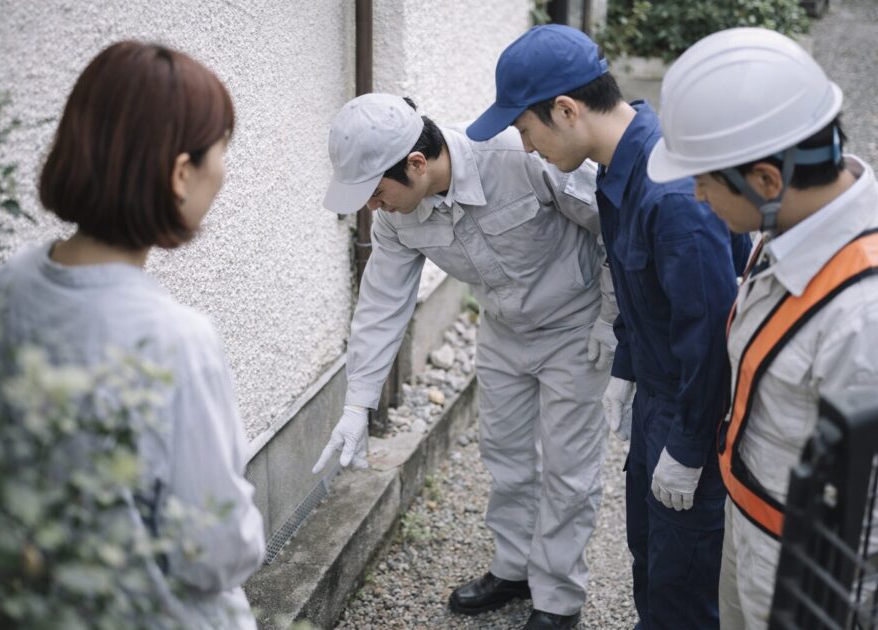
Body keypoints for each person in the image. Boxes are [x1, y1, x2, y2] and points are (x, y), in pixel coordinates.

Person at [468, 25, 751, 630]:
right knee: (649, 559)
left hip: (692, 410)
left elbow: (710, 335)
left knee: (684, 587)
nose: (527, 148)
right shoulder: (617, 170)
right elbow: (642, 298)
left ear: (566, 110)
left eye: (525, 130)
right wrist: (625, 367)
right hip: (655, 394)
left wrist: (688, 445)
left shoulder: (670, 192)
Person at [0, 41, 265, 629]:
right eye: (221, 152)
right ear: (180, 174)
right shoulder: (176, 340)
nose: (224, 171)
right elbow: (214, 550)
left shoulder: (16, 283)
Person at [314, 92, 616, 630]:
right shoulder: (397, 219)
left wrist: (612, 319)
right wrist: (357, 403)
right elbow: (383, 304)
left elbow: (612, 223)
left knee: (568, 470)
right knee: (506, 455)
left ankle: (559, 598)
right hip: (503, 330)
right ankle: (514, 568)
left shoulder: (517, 155)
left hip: (575, 327)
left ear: (416, 163)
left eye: (377, 192)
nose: (372, 207)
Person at [647, 27, 878, 629]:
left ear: (768, 181)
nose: (695, 195)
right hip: (752, 528)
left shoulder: (864, 315)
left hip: (811, 573)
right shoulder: (792, 232)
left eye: (705, 180)